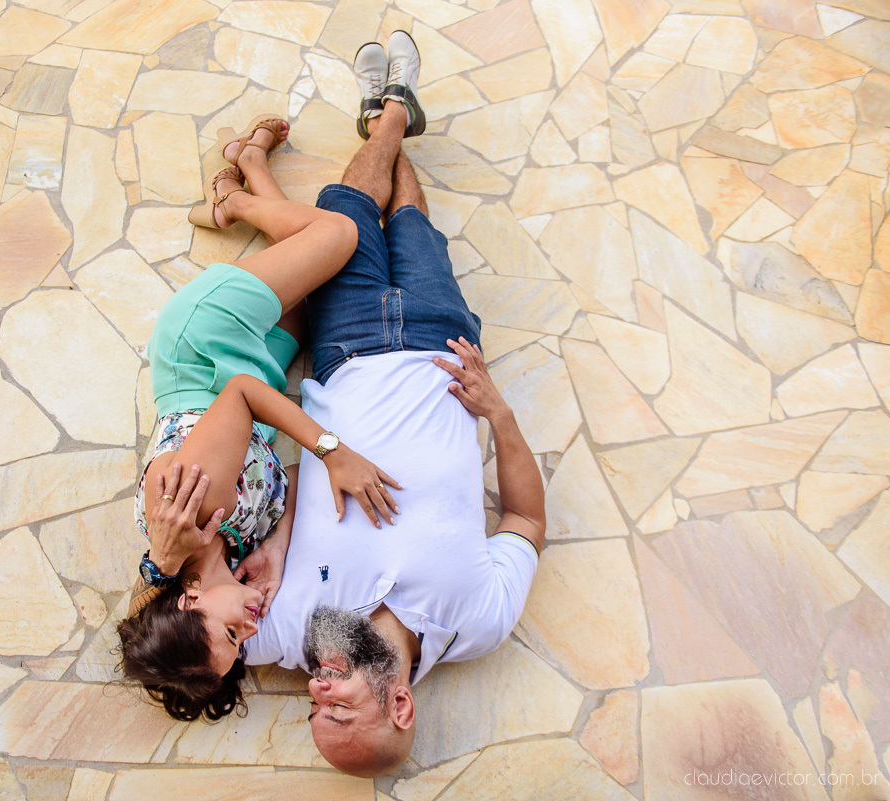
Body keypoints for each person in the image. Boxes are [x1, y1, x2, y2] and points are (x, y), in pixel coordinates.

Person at [237, 31, 548, 777]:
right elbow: (526, 520)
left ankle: (387, 114)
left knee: (344, 206)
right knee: (411, 223)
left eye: (315, 705)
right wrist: (498, 412)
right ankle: (394, 112)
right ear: (400, 702)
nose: (317, 689)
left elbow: (196, 624)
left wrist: (267, 539)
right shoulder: (479, 620)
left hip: (344, 349)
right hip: (445, 348)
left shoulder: (292, 632)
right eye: (338, 703)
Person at [116, 114, 402, 723]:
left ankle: (235, 199)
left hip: (204, 347)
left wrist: (334, 451)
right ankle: (249, 169)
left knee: (339, 237)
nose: (249, 630)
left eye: (227, 635)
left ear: (190, 603)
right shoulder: (235, 551)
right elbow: (290, 484)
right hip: (258, 372)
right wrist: (274, 545)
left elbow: (243, 394)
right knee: (318, 290)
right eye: (242, 646)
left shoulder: (188, 509)